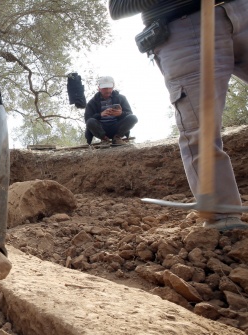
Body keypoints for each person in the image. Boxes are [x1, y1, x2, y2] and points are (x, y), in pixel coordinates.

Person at [108, 0, 248, 231]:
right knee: (200, 129)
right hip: (187, 29)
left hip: (241, 10)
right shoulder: (97, 101)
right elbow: (118, 7)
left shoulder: (118, 97)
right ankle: (224, 219)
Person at [84, 76, 138, 146]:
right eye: (105, 88)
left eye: (110, 88)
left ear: (113, 87)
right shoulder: (92, 102)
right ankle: (104, 139)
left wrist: (121, 113)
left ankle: (117, 138)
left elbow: (129, 113)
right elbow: (87, 119)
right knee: (90, 122)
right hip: (101, 128)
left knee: (133, 118)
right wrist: (100, 115)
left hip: (117, 127)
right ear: (99, 88)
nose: (108, 90)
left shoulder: (121, 98)